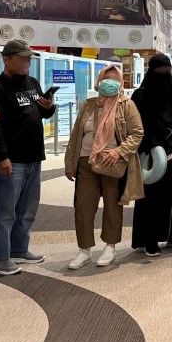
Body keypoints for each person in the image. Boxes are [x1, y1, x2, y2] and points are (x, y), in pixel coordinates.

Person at [0, 40, 55, 275]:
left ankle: (18, 248)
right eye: (23, 58)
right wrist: (1, 157)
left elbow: (39, 113)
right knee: (5, 211)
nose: (27, 62)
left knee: (27, 209)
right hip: (11, 159)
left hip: (34, 156)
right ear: (6, 59)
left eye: (29, 58)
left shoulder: (32, 83)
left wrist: (48, 107)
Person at [63, 65, 144, 269]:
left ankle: (110, 246)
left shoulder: (127, 105)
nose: (110, 83)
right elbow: (76, 135)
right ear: (98, 81)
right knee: (83, 207)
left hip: (112, 162)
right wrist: (69, 162)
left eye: (115, 79)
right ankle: (84, 250)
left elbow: (137, 133)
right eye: (106, 78)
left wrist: (119, 152)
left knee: (112, 206)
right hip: (86, 162)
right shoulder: (88, 105)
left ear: (121, 83)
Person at [130, 54, 172, 257]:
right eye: (160, 70)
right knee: (151, 198)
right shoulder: (140, 95)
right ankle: (149, 239)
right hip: (152, 155)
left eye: (167, 69)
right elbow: (135, 126)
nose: (164, 74)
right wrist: (153, 145)